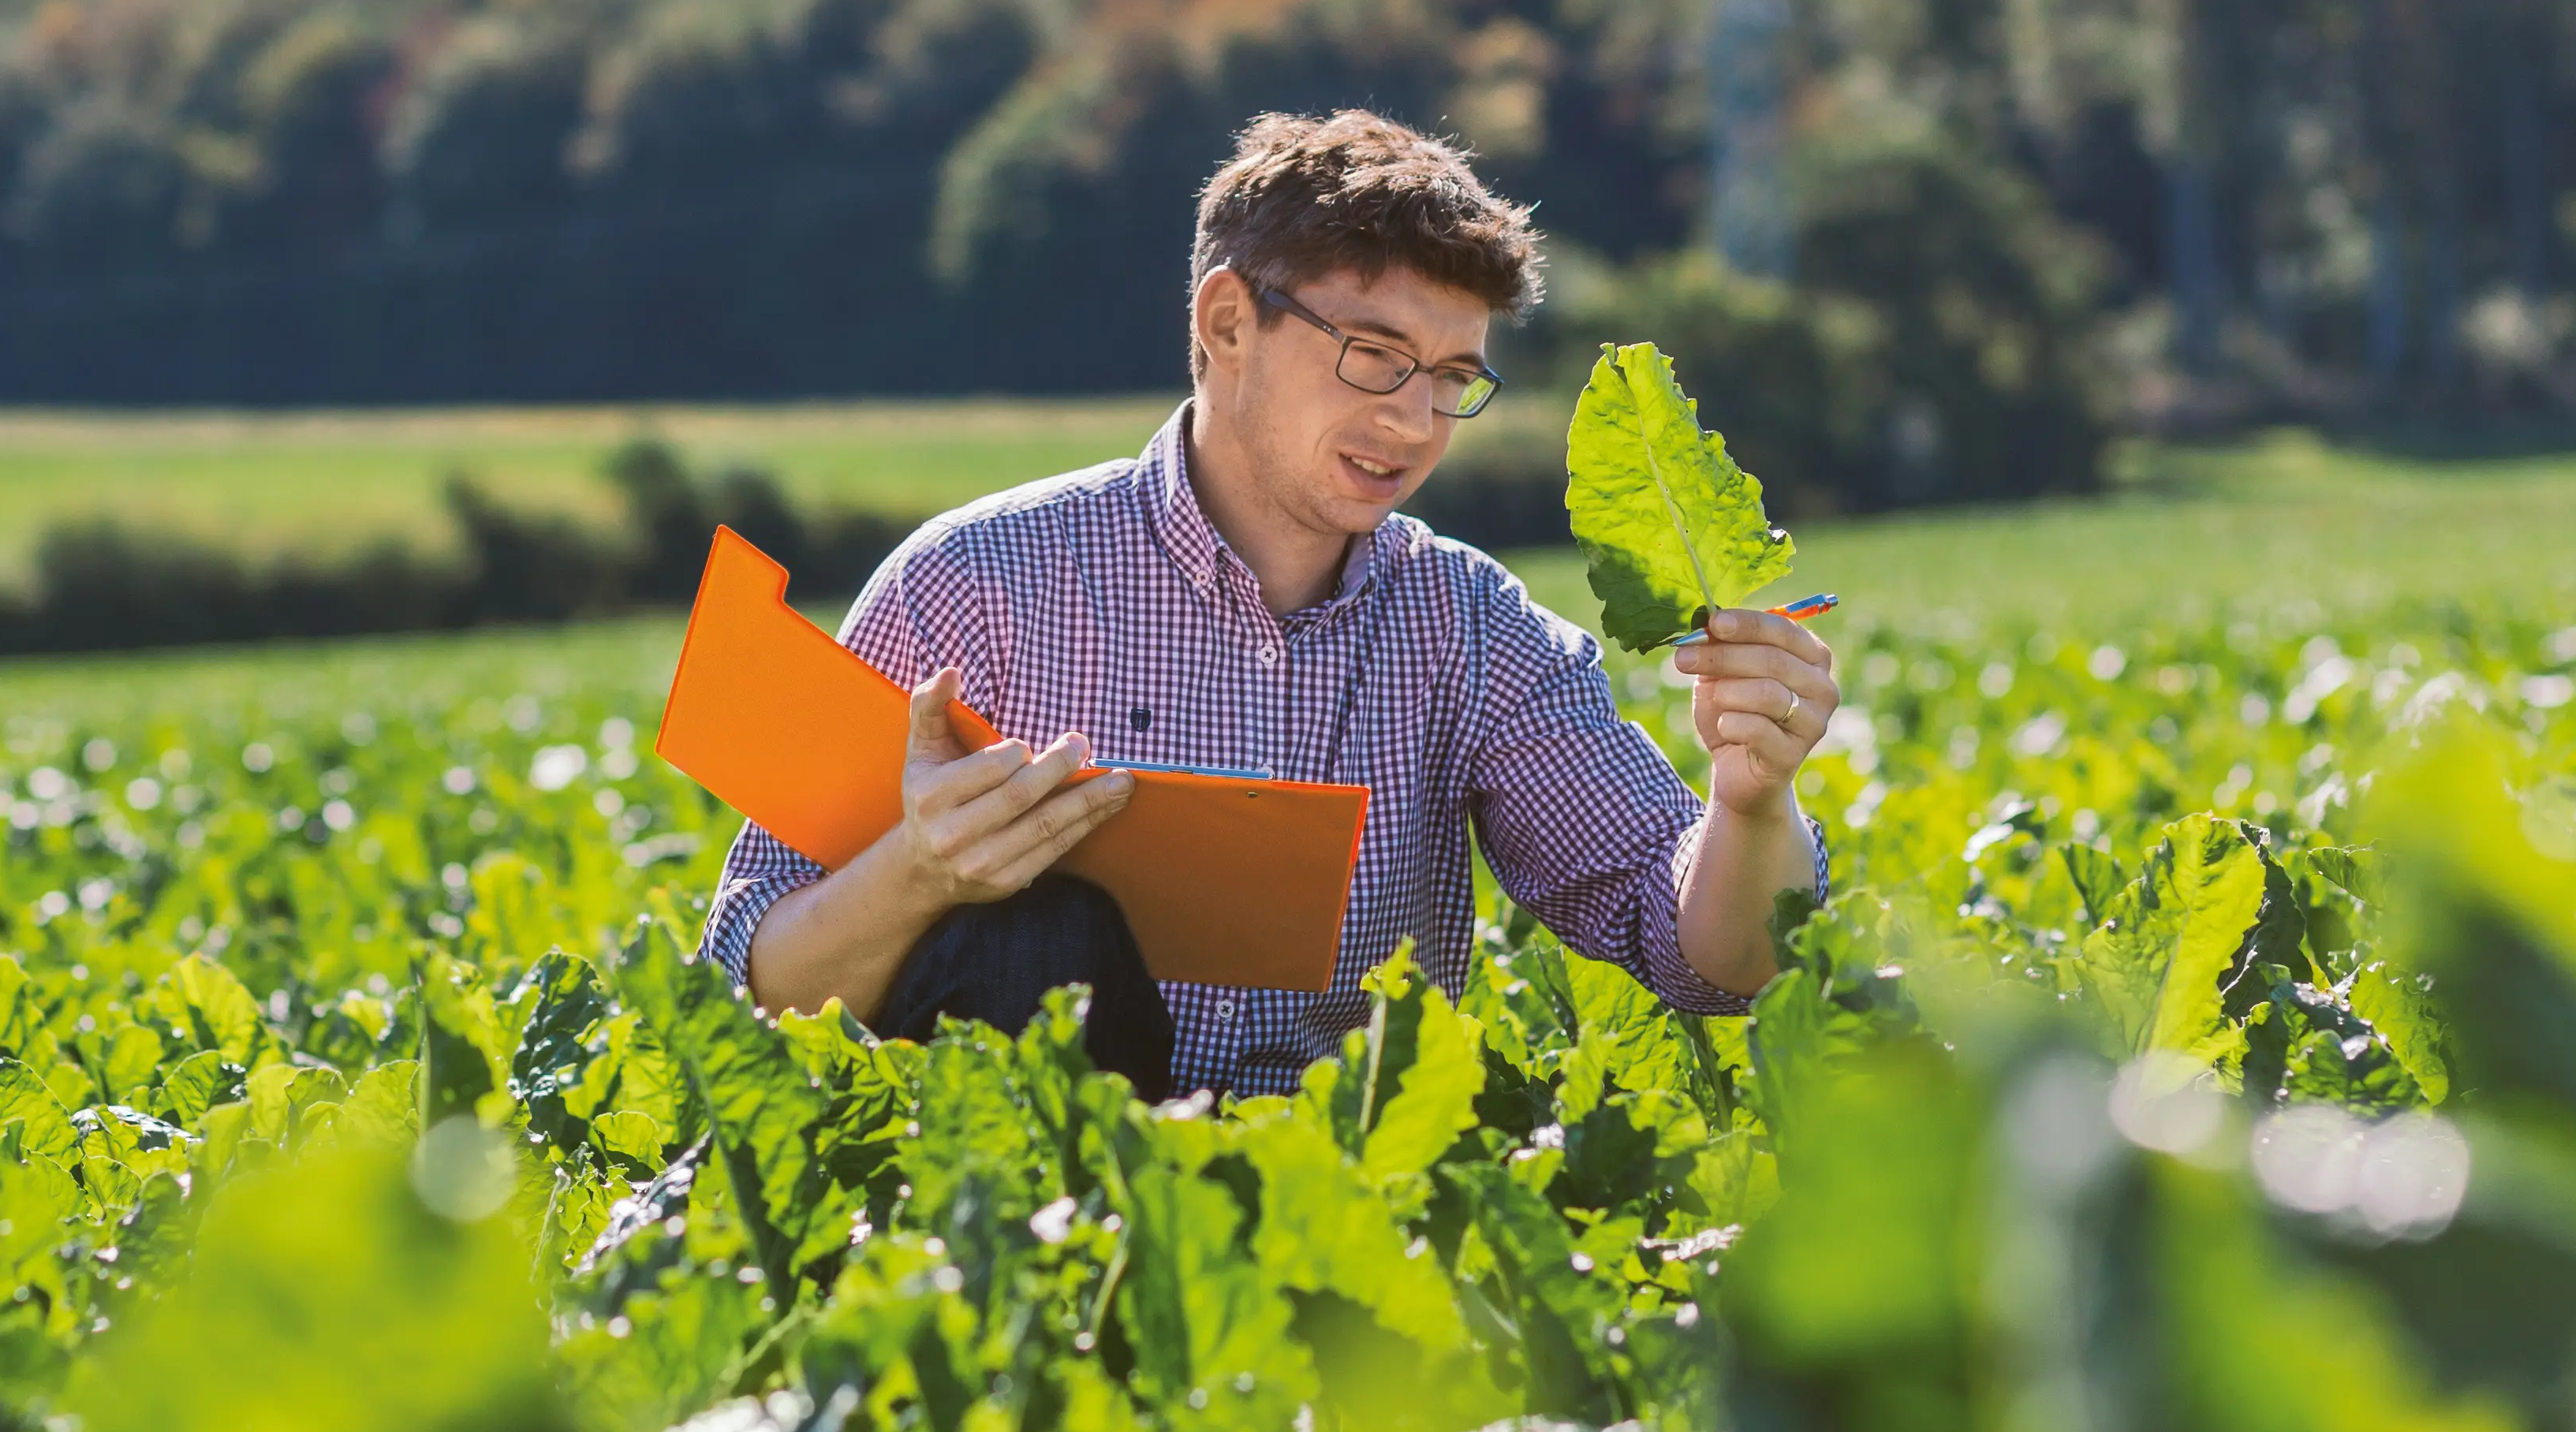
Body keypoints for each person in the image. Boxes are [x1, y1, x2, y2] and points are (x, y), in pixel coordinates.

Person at [698, 108, 1839, 1099]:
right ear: (1227, 323)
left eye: (1452, 379)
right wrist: (918, 876)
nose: (1414, 422)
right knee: (1033, 941)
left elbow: (1716, 963)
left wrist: (1749, 804)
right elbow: (750, 989)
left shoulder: (1472, 631)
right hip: (1014, 1234)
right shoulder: (975, 585)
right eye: (1373, 355)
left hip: (1338, 1223)